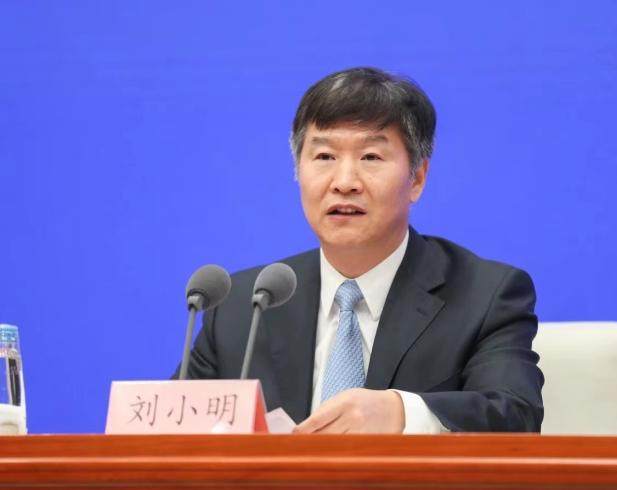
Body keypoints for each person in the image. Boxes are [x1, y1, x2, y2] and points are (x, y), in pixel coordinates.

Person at [179, 67, 544, 433]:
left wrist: (401, 413)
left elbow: (515, 415)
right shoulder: (244, 306)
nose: (344, 182)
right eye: (324, 157)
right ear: (298, 171)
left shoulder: (484, 296)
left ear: (417, 178)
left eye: (370, 157)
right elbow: (171, 429)